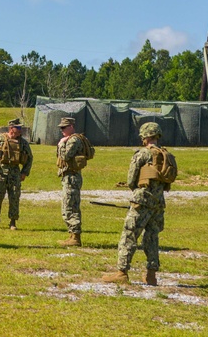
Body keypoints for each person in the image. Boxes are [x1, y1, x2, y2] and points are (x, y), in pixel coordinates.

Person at [102, 122, 169, 286]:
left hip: (142, 200)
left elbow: (131, 179)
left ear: (145, 137)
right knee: (152, 237)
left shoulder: (142, 154)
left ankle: (122, 272)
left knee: (129, 235)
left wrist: (136, 191)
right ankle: (151, 275)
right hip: (158, 203)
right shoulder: (165, 155)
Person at [0, 118, 34, 230]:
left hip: (15, 173)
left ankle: (13, 222)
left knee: (14, 197)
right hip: (0, 172)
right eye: (18, 128)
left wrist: (24, 172)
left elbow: (29, 158)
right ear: (11, 128)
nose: (20, 130)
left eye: (20, 128)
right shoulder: (0, 139)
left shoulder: (23, 142)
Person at [55, 117, 89, 246]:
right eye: (61, 128)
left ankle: (75, 237)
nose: (62, 130)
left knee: (70, 206)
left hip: (71, 176)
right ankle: (72, 235)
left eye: (64, 127)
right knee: (68, 205)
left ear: (71, 126)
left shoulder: (73, 140)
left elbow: (65, 156)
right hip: (70, 176)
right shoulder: (72, 139)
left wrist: (61, 144)